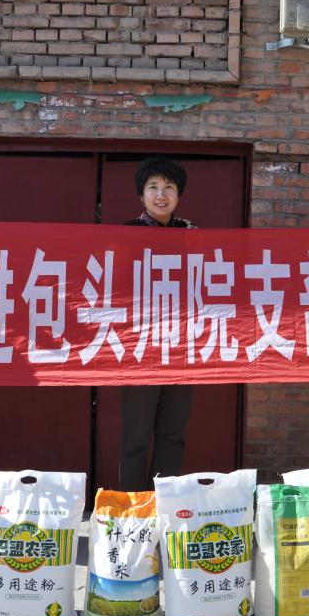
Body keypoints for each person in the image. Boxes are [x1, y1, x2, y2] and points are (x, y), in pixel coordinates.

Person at [119, 156, 197, 491]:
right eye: (153, 187)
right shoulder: (125, 234)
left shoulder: (193, 233)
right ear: (142, 195)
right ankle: (133, 507)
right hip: (140, 348)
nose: (161, 194)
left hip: (182, 346)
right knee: (135, 435)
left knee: (172, 434)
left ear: (178, 195)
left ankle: (165, 503)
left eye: (169, 187)